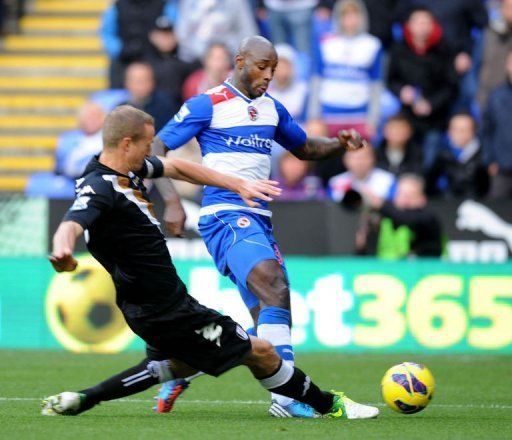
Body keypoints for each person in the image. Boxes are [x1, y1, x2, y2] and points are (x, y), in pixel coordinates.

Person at [41, 105, 378, 421]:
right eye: (148, 143)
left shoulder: (124, 166)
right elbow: (72, 222)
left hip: (143, 306)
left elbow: (176, 167)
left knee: (175, 365)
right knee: (260, 351)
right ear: (127, 143)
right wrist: (62, 250)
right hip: (168, 309)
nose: (152, 151)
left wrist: (238, 183)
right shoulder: (100, 188)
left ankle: (82, 398)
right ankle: (330, 404)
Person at [153, 35, 367, 418]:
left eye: (274, 68)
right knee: (275, 286)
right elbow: (155, 149)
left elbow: (305, 149)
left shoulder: (271, 109)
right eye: (262, 67)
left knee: (265, 324)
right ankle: (286, 401)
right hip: (223, 214)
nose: (269, 75)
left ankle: (184, 366)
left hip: (260, 219)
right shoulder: (208, 104)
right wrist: (170, 200)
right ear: (239, 61)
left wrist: (338, 143)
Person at [387, 7, 458, 171]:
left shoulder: (444, 50)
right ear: (409, 25)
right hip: (407, 114)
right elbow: (391, 80)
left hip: (435, 117)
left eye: (426, 22)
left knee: (430, 160)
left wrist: (431, 104)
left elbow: (451, 86)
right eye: (417, 22)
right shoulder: (399, 49)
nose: (422, 26)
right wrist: (402, 91)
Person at [311, 0, 383, 139]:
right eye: (346, 15)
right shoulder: (325, 42)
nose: (350, 19)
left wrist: (373, 119)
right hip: (328, 115)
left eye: (354, 14)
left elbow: (376, 84)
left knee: (358, 159)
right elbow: (316, 80)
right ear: (339, 17)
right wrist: (314, 116)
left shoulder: (372, 44)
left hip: (359, 116)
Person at [357, 174, 443, 258]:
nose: (405, 200)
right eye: (401, 194)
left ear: (422, 199)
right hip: (387, 269)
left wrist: (379, 203)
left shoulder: (428, 218)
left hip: (426, 269)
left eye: (411, 195)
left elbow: (405, 218)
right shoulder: (385, 218)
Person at [100, 0, 178, 88]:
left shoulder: (165, 6)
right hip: (124, 61)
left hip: (156, 60)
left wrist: (168, 42)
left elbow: (177, 31)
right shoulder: (116, 7)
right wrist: (120, 51)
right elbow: (108, 34)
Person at [175, 0, 258, 63]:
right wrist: (205, 55)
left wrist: (228, 52)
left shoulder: (236, 2)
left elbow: (249, 33)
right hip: (194, 59)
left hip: (228, 58)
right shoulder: (188, 2)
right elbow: (182, 34)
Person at [428, 112, 488, 197]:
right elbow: (431, 182)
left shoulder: (484, 155)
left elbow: (485, 186)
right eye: (455, 129)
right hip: (447, 202)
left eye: (463, 130)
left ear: (473, 131)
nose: (459, 134)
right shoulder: (442, 154)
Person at [147, 16, 199, 103]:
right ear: (152, 36)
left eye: (168, 34)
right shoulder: (145, 64)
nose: (165, 39)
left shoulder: (186, 63)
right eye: (161, 35)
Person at [482, 51, 512, 198]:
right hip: (503, 165)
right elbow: (487, 130)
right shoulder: (496, 96)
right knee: (497, 211)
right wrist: (489, 159)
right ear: (507, 65)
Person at [329, 145, 396, 205]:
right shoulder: (335, 183)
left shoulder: (388, 180)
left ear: (373, 159)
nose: (359, 162)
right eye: (354, 157)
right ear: (345, 160)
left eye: (363, 157)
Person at [122, 62, 178, 131]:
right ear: (127, 83)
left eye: (144, 80)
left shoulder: (165, 105)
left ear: (152, 82)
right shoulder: (121, 109)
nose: (140, 86)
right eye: (137, 81)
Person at [479, 0, 512, 108]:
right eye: (508, 7)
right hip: (487, 96)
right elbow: (476, 67)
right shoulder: (489, 34)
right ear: (501, 9)